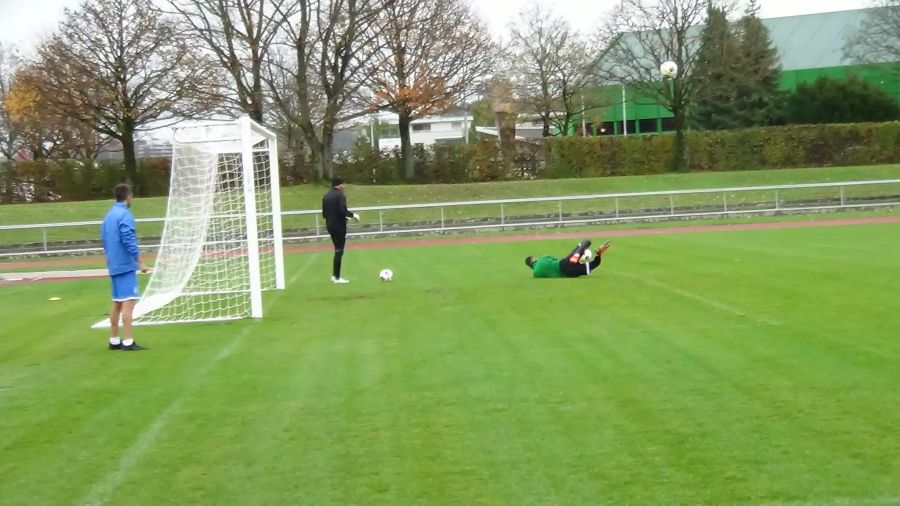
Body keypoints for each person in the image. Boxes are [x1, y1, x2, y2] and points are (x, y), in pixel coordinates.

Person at [101, 183, 149, 351]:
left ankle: (114, 339)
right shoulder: (125, 215)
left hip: (113, 264)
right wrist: (139, 261)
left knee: (117, 303)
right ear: (128, 196)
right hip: (125, 264)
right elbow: (128, 239)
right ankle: (128, 341)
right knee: (129, 302)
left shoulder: (108, 216)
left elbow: (104, 240)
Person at [322, 177, 359, 284]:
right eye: (344, 184)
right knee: (339, 251)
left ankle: (335, 276)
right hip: (339, 227)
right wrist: (353, 215)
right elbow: (343, 210)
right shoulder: (340, 195)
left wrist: (343, 218)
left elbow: (324, 214)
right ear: (339, 185)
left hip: (330, 226)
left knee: (337, 250)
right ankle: (336, 277)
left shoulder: (326, 196)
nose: (345, 186)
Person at [525, 240, 611, 279]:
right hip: (563, 263)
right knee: (586, 242)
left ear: (530, 266)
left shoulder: (536, 274)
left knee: (593, 265)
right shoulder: (543, 258)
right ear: (534, 258)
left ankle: (598, 255)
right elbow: (555, 259)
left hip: (569, 274)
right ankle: (579, 252)